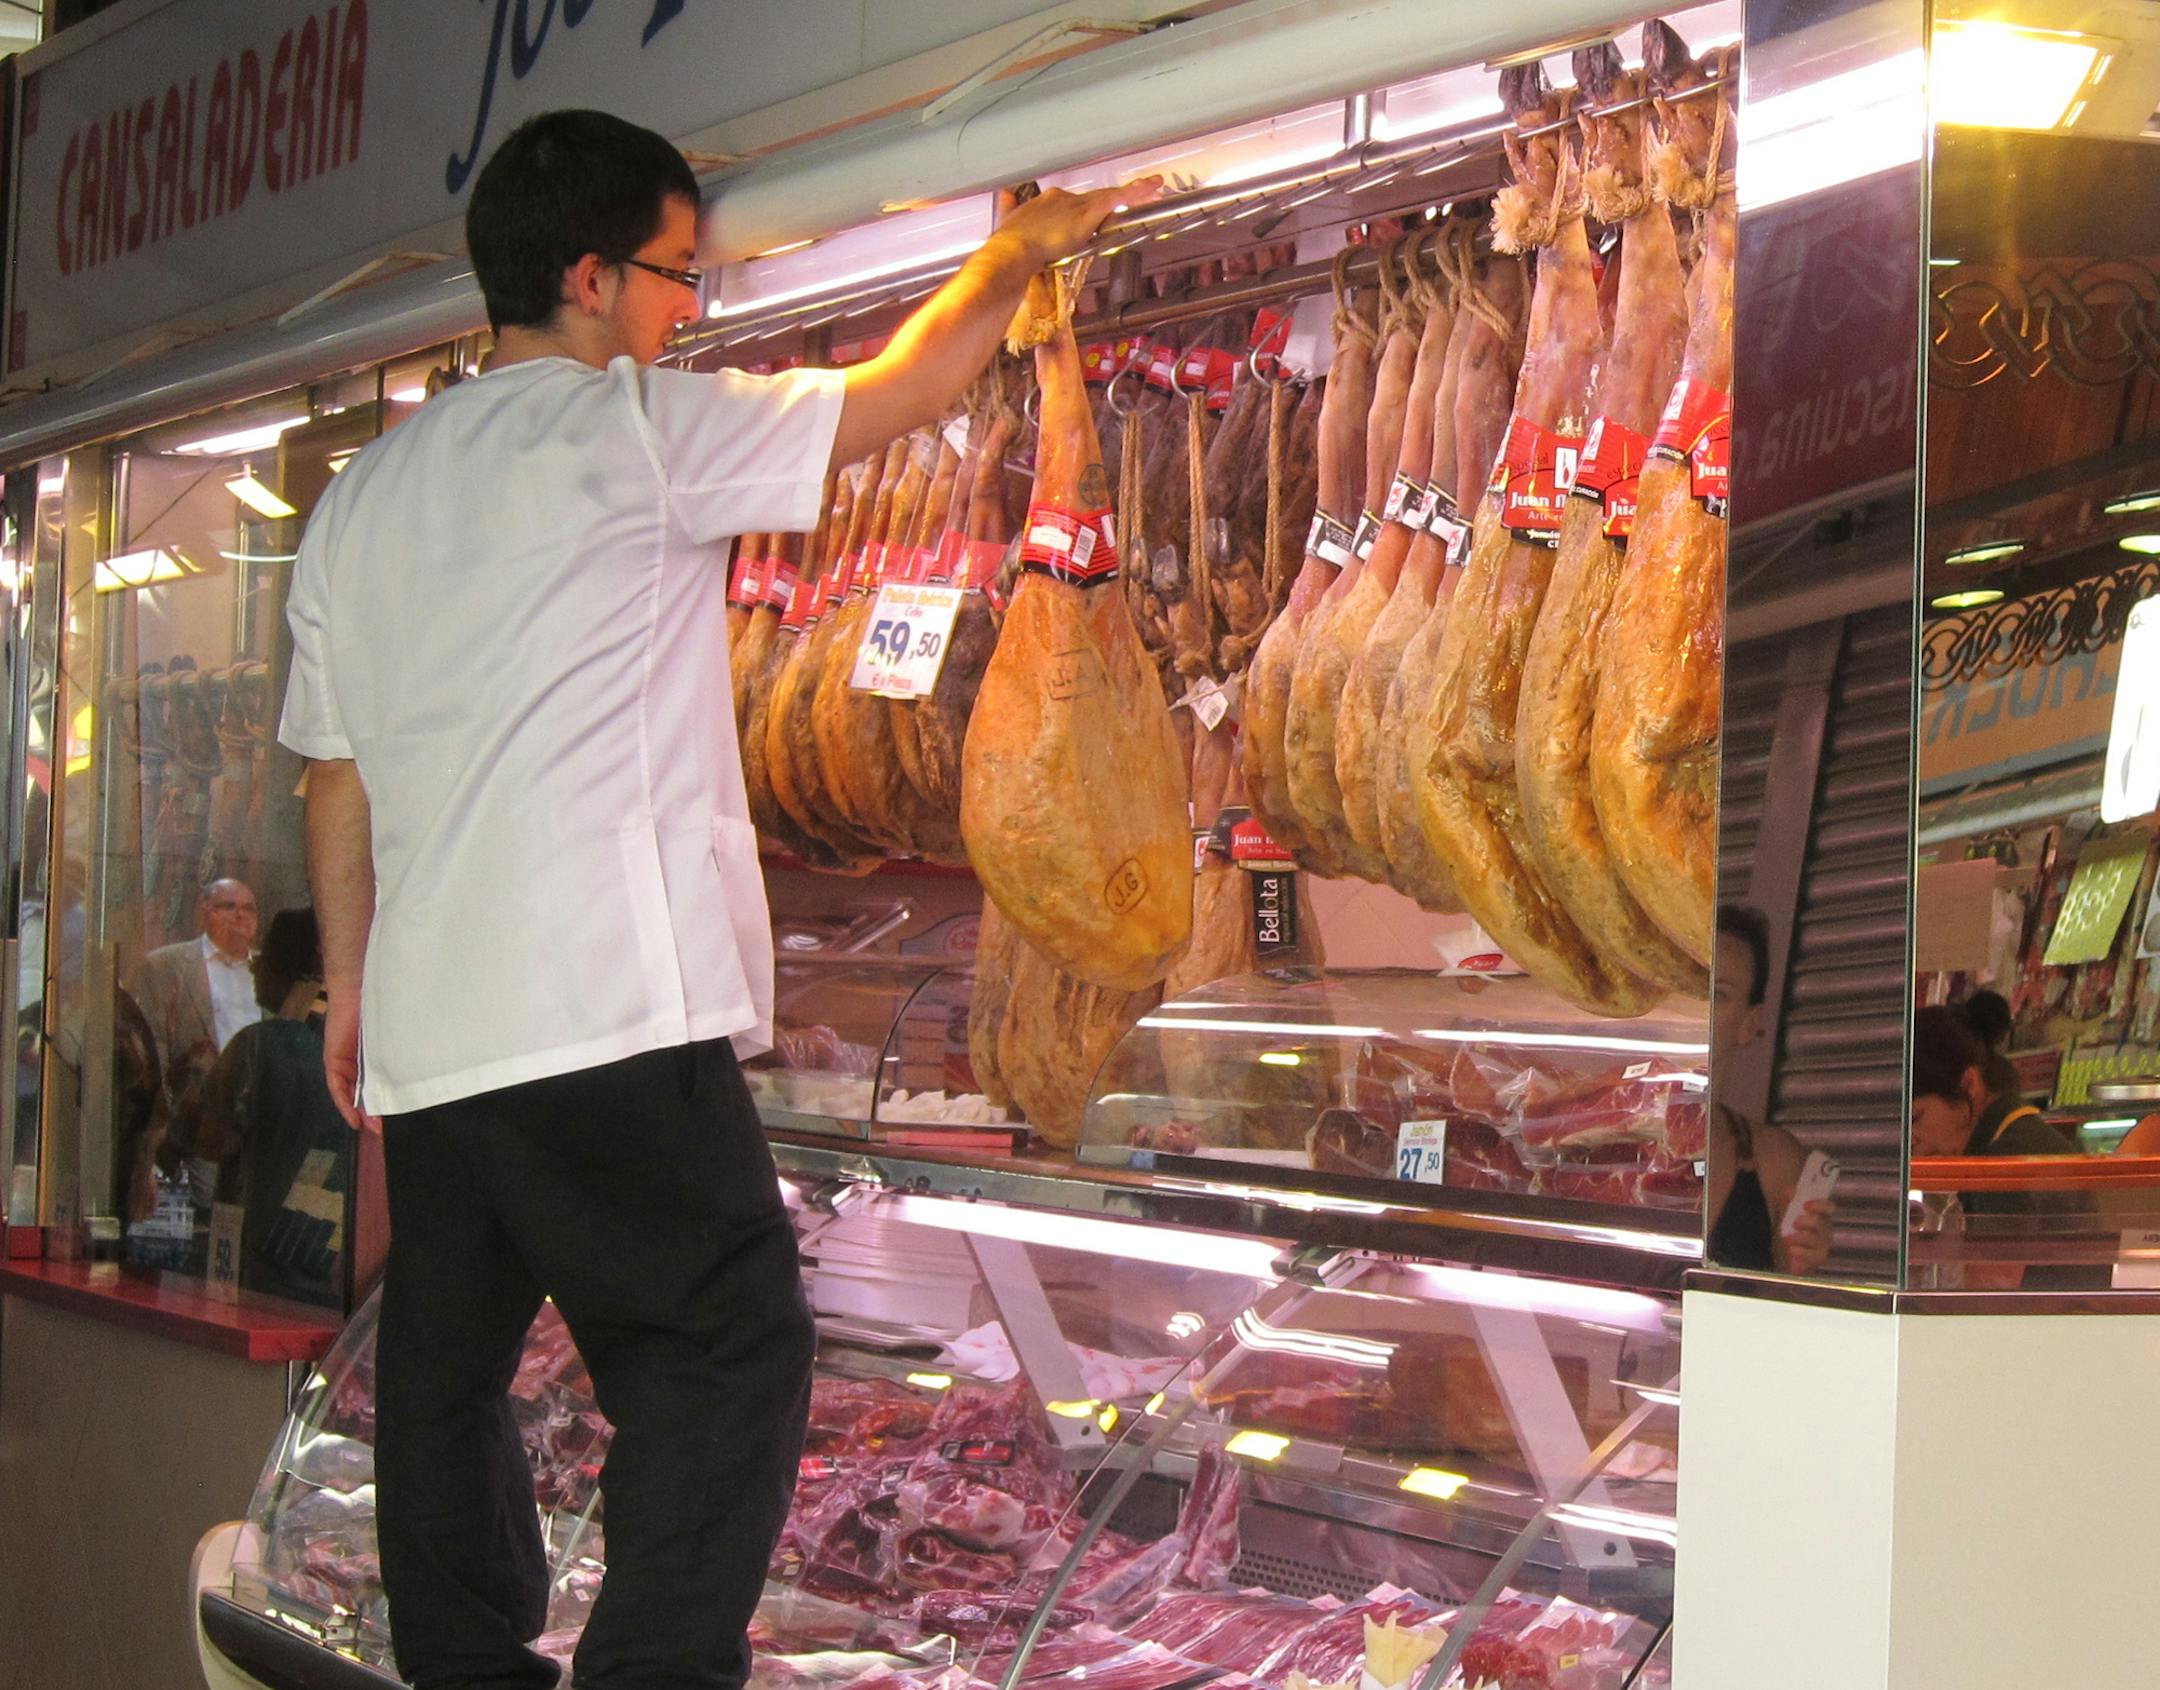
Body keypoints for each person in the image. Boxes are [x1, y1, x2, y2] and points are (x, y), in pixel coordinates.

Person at [278, 108, 1149, 1690]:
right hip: (604, 1005)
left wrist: (352, 987)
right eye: (679, 274)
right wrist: (1014, 251)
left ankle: (465, 1666)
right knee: (722, 1346)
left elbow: (333, 779)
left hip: (436, 1034)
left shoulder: (361, 500)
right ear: (590, 276)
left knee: (444, 1373)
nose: (689, 309)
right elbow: (900, 396)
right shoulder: (628, 430)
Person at [163, 910, 349, 1308]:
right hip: (328, 1267)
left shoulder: (258, 1046)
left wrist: (192, 1084)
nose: (254, 968)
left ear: (287, 969)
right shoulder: (353, 1049)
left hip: (260, 1266)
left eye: (263, 957)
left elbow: (210, 1142)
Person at [1910, 1004, 2099, 1289]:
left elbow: (1991, 1294)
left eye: (1916, 1118)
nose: (1911, 1138)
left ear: (1969, 1084)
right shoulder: (2018, 1135)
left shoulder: (2003, 1164)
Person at [1707, 904, 1835, 1274]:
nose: (1697, 1007)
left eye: (1717, 994)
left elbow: (1788, 1291)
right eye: (1688, 986)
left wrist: (1805, 1258)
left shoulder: (1776, 1162)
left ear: (1749, 1024)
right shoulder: (1605, 1134)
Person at [132, 876, 264, 1082]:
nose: (240, 915)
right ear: (204, 911)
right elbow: (155, 1043)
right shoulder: (164, 965)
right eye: (229, 907)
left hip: (262, 1092)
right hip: (201, 1094)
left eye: (249, 909)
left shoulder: (268, 968)